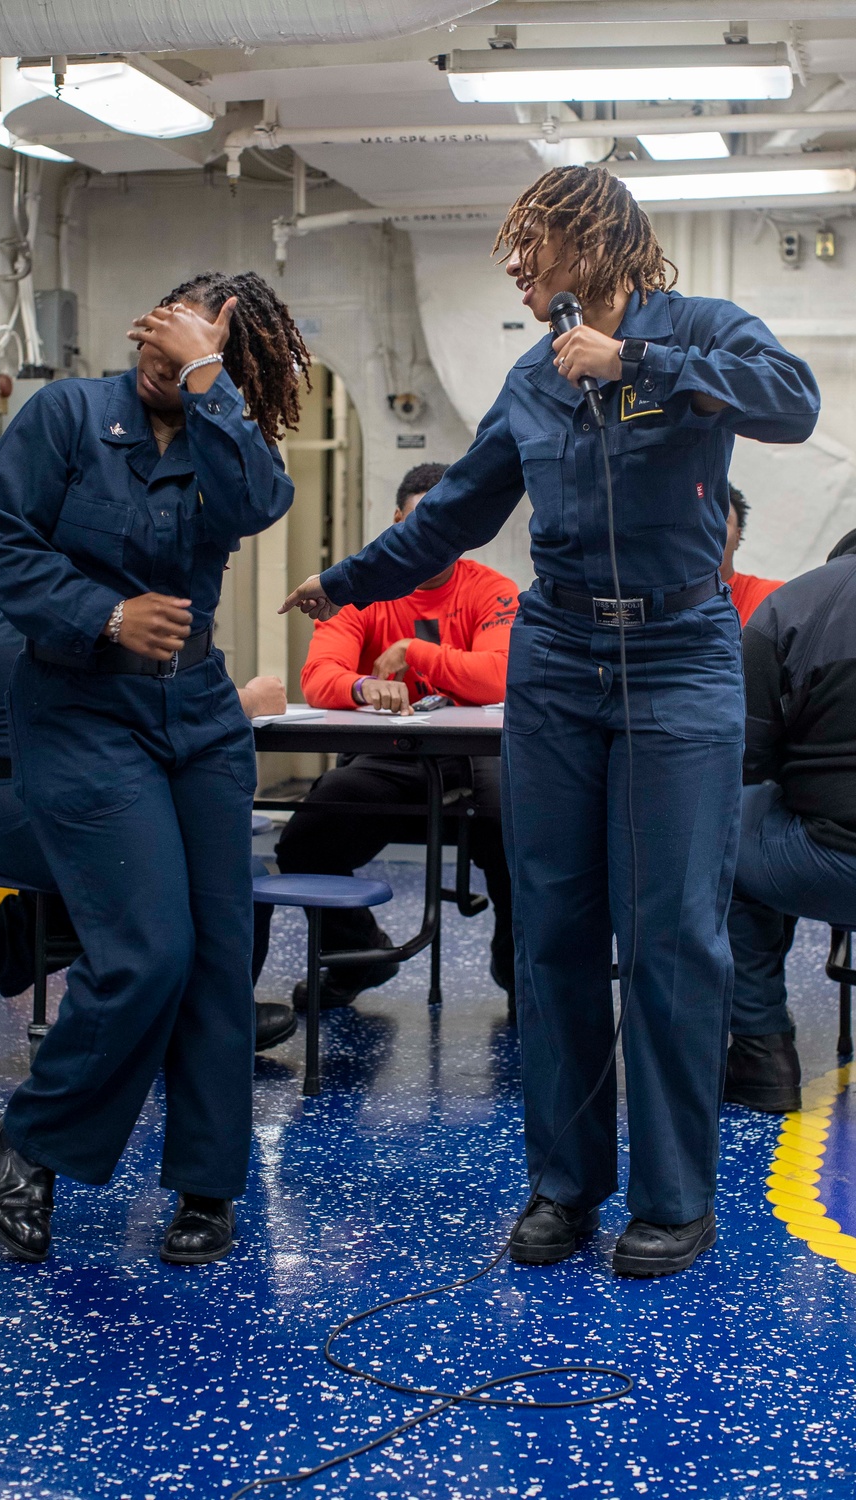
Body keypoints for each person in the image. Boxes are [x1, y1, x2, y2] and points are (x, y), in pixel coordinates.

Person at [282, 164, 819, 1278]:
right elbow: (453, 518)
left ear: (595, 240)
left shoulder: (698, 330)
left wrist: (639, 364)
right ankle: (564, 1187)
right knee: (558, 927)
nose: (517, 265)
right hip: (561, 658)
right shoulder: (531, 381)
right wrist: (342, 583)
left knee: (671, 931)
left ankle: (674, 1198)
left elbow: (794, 402)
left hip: (678, 650)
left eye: (533, 243)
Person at [0, 269, 310, 1266]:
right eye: (160, 350)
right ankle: (29, 1137)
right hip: (82, 709)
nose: (164, 370)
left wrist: (211, 383)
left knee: (215, 956)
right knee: (145, 953)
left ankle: (208, 1185)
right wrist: (102, 614)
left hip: (197, 715)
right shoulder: (67, 417)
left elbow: (258, 501)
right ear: (139, 329)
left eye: (192, 357)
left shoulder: (224, 428)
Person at [0, 590, 297, 1059]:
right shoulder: (97, 614)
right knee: (231, 877)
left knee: (104, 885)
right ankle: (214, 1020)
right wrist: (245, 700)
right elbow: (160, 715)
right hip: (41, 809)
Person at [252, 463, 517, 1014]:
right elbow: (318, 677)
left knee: (524, 835)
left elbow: (499, 675)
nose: (432, 543)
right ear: (397, 522)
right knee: (304, 842)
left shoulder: (493, 591)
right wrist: (364, 684)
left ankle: (518, 969)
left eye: (447, 528)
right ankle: (360, 953)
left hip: (479, 760)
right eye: (420, 526)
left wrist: (416, 654)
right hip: (392, 760)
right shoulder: (363, 591)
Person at [724, 529, 856, 1113]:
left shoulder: (794, 605)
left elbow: (748, 760)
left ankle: (762, 1055)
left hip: (834, 864)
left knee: (719, 836)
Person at [721, 484, 782, 625]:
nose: (711, 528)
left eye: (724, 520)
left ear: (737, 536)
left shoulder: (771, 598)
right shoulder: (662, 601)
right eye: (703, 520)